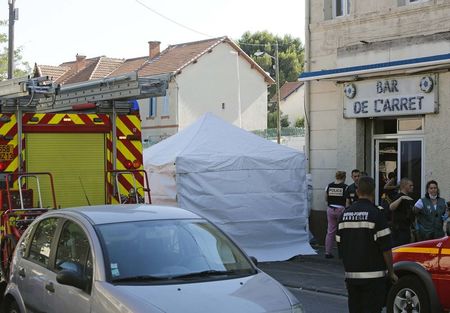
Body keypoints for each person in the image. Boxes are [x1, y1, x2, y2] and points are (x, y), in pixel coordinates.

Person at [336, 176, 398, 313]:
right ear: (373, 191)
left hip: (352, 276)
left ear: (357, 192)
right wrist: (391, 272)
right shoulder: (377, 214)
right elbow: (386, 248)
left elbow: (339, 244)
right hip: (374, 278)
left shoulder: (344, 215)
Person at [324, 171, 347, 259]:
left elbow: (326, 198)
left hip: (330, 209)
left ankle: (327, 252)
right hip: (341, 209)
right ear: (344, 177)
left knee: (330, 232)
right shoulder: (345, 187)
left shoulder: (329, 186)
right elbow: (346, 200)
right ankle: (342, 253)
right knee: (343, 231)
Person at [389, 178, 415, 247]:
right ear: (404, 186)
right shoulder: (398, 197)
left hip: (406, 230)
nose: (412, 187)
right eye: (410, 185)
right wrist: (401, 198)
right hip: (398, 231)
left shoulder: (409, 198)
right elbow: (391, 207)